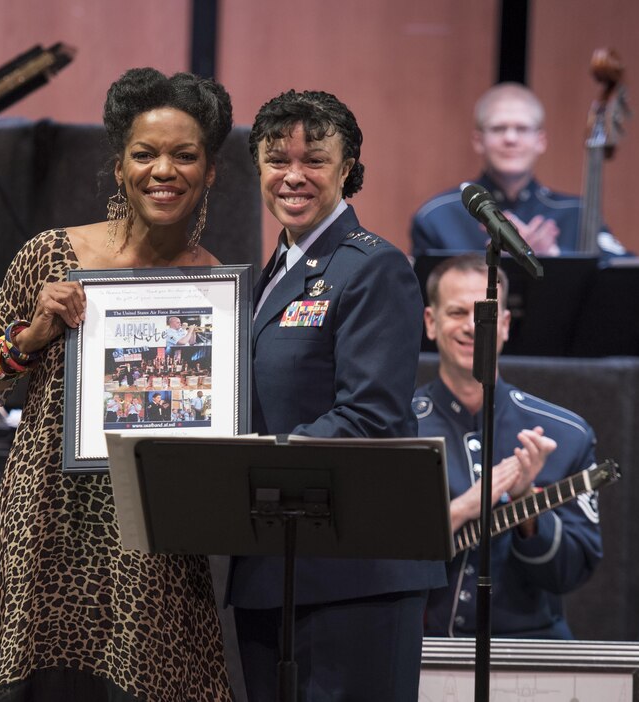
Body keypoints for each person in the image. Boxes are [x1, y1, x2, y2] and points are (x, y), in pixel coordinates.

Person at [0, 67, 234, 701]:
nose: (164, 170)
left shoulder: (219, 287)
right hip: (47, 529)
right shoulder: (52, 255)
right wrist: (29, 338)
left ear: (210, 171)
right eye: (145, 154)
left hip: (155, 543)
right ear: (120, 163)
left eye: (185, 156)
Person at [229, 89, 445, 701]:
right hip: (276, 561)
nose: (293, 176)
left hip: (357, 571)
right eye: (276, 159)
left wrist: (245, 462)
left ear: (347, 169)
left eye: (314, 160)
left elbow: (370, 416)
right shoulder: (269, 271)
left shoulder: (373, 267)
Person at [414, 253, 603, 638]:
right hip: (418, 653)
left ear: (503, 325)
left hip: (530, 654)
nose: (471, 327)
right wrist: (463, 508)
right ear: (430, 323)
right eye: (455, 313)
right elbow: (367, 558)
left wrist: (525, 504)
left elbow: (571, 572)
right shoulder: (392, 428)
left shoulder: (565, 433)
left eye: (484, 314)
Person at [410, 82, 629, 259]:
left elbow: (628, 274)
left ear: (540, 141)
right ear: (478, 141)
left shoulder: (578, 213)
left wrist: (554, 257)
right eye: (498, 129)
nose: (511, 139)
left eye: (522, 129)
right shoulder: (437, 216)